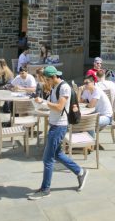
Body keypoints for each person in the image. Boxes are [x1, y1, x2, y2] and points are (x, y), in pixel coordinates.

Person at [29, 66, 87, 199]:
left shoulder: (64, 87)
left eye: (46, 80)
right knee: (58, 154)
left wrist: (43, 102)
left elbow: (60, 107)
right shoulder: (55, 87)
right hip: (54, 124)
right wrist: (41, 103)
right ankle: (80, 171)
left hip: (59, 126)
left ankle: (45, 189)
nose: (45, 83)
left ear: (52, 77)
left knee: (47, 159)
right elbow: (53, 106)